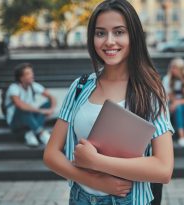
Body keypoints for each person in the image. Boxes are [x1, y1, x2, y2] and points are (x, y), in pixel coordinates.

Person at [43, 1, 174, 205]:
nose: (109, 41)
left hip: (128, 200)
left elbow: (164, 169)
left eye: (119, 32)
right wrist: (94, 180)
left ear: (134, 36)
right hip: (80, 199)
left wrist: (97, 162)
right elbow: (51, 154)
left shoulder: (149, 91)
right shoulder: (80, 86)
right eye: (100, 33)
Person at [4, 63, 56, 146]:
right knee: (24, 108)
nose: (32, 75)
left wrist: (51, 110)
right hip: (15, 122)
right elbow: (20, 105)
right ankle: (41, 133)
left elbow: (52, 97)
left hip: (29, 117)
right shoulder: (13, 88)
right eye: (28, 74)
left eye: (31, 73)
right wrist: (41, 111)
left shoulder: (33, 85)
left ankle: (30, 133)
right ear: (21, 78)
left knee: (47, 104)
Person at [163, 58, 184, 147]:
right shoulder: (167, 79)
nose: (172, 70)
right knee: (180, 108)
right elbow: (169, 96)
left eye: (175, 68)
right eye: (171, 67)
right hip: (173, 104)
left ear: (181, 69)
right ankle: (182, 137)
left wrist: (177, 103)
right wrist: (175, 103)